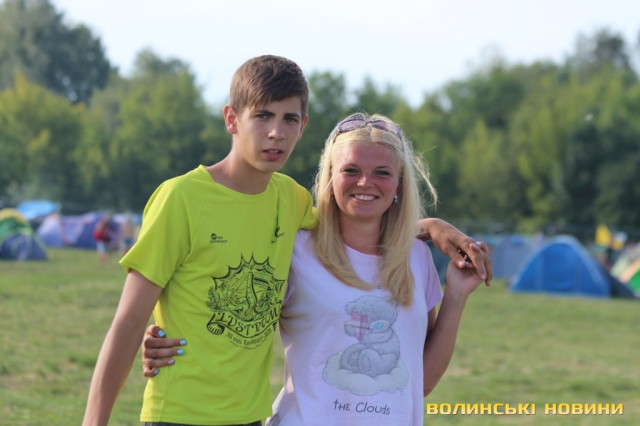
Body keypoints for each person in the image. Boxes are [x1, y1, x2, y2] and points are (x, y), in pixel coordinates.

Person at [83, 55, 490, 426]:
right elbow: (128, 321)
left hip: (251, 417)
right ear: (231, 119)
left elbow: (357, 222)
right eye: (263, 116)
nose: (276, 132)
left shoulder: (291, 201)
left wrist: (430, 226)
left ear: (302, 126)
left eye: (289, 119)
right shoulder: (182, 198)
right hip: (180, 415)